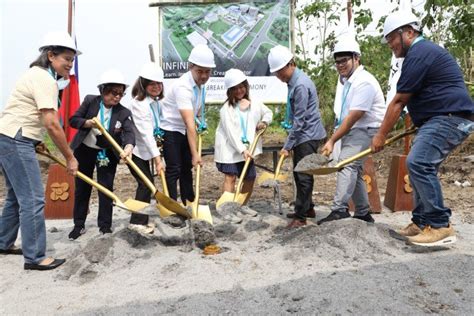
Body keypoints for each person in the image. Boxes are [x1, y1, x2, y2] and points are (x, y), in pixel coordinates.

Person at [372, 10, 474, 246]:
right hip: (438, 118)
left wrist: (380, 135)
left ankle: (440, 226)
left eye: (391, 39)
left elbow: (399, 101)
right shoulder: (419, 54)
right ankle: (421, 221)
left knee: (419, 162)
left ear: (408, 32)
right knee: (418, 165)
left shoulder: (419, 53)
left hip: (449, 118)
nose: (390, 45)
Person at [0, 31, 79, 270]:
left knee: (16, 197)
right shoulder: (45, 78)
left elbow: (29, 114)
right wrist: (69, 156)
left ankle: (3, 242)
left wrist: (36, 141)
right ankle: (35, 257)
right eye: (66, 58)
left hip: (10, 137)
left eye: (72, 60)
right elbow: (51, 122)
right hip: (16, 139)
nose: (69, 65)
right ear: (51, 55)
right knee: (33, 199)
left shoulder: (36, 75)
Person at [317, 35, 386, 225]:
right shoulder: (349, 81)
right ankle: (363, 212)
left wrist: (331, 140)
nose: (340, 65)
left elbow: (353, 117)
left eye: (344, 60)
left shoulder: (364, 82)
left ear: (357, 58)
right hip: (356, 130)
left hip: (367, 130)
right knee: (354, 167)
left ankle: (339, 209)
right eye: (337, 62)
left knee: (346, 164)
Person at [68, 69, 135, 240]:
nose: (117, 97)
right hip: (85, 150)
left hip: (107, 153)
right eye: (114, 93)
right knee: (82, 188)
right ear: (103, 90)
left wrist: (128, 147)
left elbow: (129, 133)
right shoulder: (91, 101)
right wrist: (87, 123)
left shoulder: (123, 112)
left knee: (106, 188)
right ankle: (79, 225)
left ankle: (105, 226)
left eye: (121, 93)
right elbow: (74, 120)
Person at [267, 45, 327, 228]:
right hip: (304, 134)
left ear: (290, 64)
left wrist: (287, 145)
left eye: (280, 72)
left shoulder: (300, 85)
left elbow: (300, 121)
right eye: (276, 73)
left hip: (307, 135)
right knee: (301, 172)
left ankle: (301, 217)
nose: (279, 76)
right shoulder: (294, 80)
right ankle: (307, 208)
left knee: (303, 175)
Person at [160, 44, 215, 204]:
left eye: (207, 71)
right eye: (200, 71)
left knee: (186, 168)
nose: (204, 75)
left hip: (184, 129)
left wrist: (200, 122)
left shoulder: (200, 86)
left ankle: (189, 201)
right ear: (190, 67)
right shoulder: (183, 87)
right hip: (170, 129)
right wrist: (196, 155)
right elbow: (189, 123)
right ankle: (172, 205)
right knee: (174, 168)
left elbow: (195, 116)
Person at [214, 69, 273, 212]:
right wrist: (242, 150)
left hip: (248, 148)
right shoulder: (226, 109)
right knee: (231, 177)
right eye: (235, 88)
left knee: (250, 177)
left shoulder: (254, 102)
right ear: (230, 91)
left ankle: (241, 205)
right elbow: (231, 134)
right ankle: (226, 209)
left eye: (242, 86)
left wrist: (264, 122)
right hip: (230, 149)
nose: (240, 91)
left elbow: (268, 113)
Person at [127, 62, 165, 234]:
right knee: (145, 183)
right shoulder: (138, 104)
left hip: (149, 150)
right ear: (143, 84)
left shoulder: (156, 102)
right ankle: (136, 222)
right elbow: (146, 135)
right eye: (152, 83)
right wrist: (158, 160)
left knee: (148, 183)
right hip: (135, 150)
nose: (156, 87)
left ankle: (142, 219)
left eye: (158, 83)